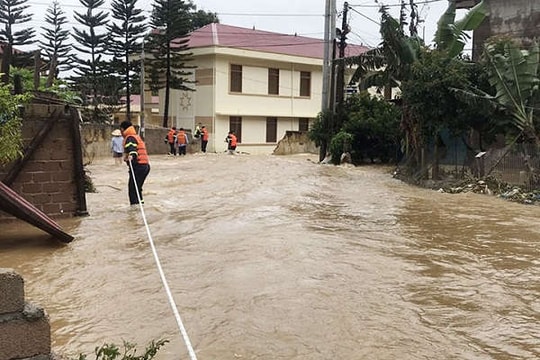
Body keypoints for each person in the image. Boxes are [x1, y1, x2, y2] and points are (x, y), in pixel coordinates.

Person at [120, 121, 150, 205]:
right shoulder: (136, 136)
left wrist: (131, 156)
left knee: (133, 190)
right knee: (138, 188)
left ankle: (135, 209)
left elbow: (132, 149)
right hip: (145, 166)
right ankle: (140, 205)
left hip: (138, 166)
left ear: (122, 129)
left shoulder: (130, 138)